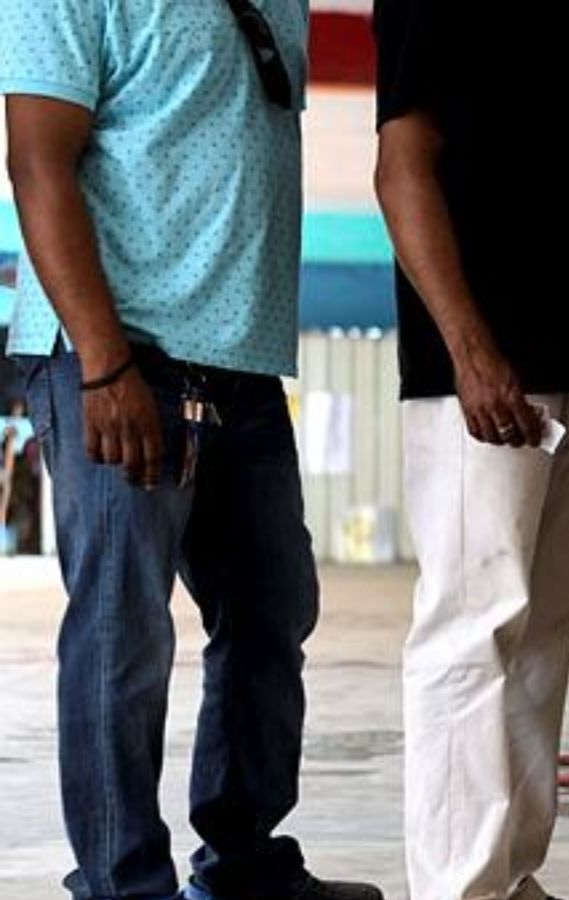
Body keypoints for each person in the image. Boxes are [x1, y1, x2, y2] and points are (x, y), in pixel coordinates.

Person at [0, 0, 381, 896]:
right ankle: (121, 882)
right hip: (122, 358)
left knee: (271, 613)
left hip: (243, 366)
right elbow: (36, 162)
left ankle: (244, 860)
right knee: (121, 633)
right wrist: (102, 364)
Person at [372, 0, 569, 896]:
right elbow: (402, 169)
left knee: (548, 631)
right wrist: (470, 349)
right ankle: (457, 885)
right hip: (489, 373)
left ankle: (510, 873)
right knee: (472, 628)